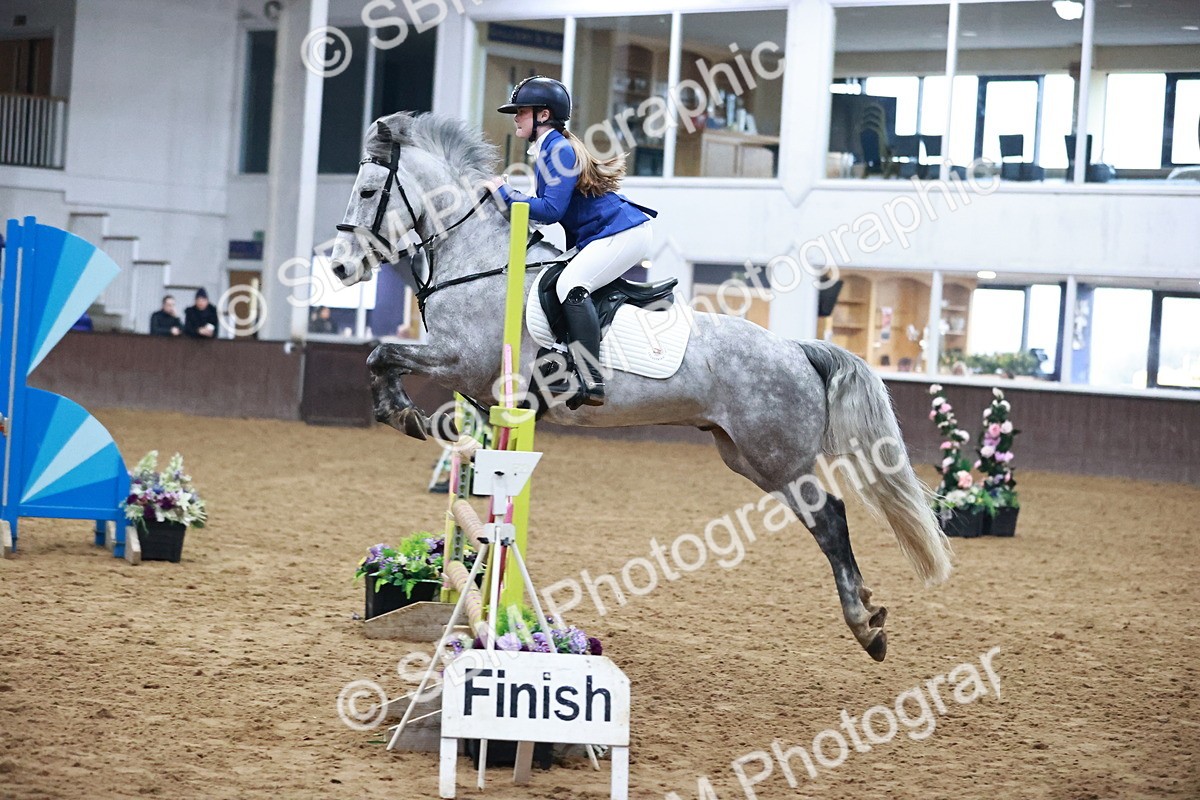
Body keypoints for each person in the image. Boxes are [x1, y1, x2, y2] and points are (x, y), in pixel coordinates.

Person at [488, 76, 657, 408]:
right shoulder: (549, 149)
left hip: (622, 233)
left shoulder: (560, 150)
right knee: (556, 280)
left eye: (521, 111)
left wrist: (505, 194)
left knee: (571, 285)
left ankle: (591, 377)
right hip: (602, 234)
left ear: (543, 114)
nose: (516, 117)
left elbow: (550, 210)